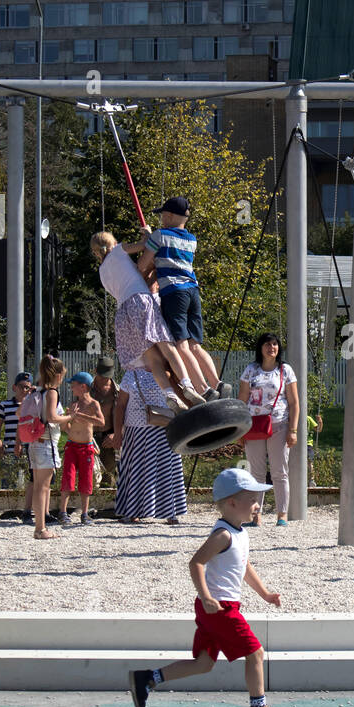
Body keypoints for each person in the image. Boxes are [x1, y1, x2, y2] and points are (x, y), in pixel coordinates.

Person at [127, 467, 292, 707]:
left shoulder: (240, 532)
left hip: (218, 608)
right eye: (252, 500)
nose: (258, 505)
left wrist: (266, 594)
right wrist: (205, 596)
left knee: (204, 663)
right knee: (256, 653)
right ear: (232, 503)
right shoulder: (223, 534)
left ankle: (147, 678)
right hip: (220, 609)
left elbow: (244, 566)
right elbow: (196, 564)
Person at [136, 196, 229, 404]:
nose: (161, 219)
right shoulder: (191, 240)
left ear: (168, 215)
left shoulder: (160, 236)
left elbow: (142, 266)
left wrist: (147, 241)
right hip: (192, 291)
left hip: (173, 292)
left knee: (181, 345)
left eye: (162, 215)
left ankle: (204, 389)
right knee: (195, 345)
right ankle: (217, 382)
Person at [90, 229, 193, 414]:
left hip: (124, 314)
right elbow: (146, 246)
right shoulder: (118, 250)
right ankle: (187, 385)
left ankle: (169, 394)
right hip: (140, 302)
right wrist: (147, 235)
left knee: (153, 360)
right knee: (167, 348)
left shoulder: (102, 272)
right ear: (112, 242)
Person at [111, 367, 187, 524]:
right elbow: (120, 405)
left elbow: (181, 397)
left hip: (164, 427)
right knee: (137, 469)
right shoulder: (132, 373)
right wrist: (118, 433)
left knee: (165, 469)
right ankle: (134, 511)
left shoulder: (168, 371)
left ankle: (169, 512)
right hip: (138, 429)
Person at [239, 332, 300, 526]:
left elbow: (294, 402)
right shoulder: (250, 370)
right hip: (254, 425)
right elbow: (242, 399)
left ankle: (282, 514)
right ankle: (256, 514)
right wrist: (238, 429)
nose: (271, 347)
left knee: (279, 471)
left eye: (274, 344)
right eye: (267, 344)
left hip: (279, 424)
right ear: (260, 348)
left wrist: (293, 429)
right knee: (256, 471)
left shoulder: (285, 370)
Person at [28, 355, 74, 539]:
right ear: (57, 375)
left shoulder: (36, 391)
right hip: (46, 442)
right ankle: (40, 528)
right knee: (43, 487)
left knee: (39, 485)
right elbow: (53, 417)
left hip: (34, 442)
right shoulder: (52, 393)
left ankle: (40, 526)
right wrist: (71, 417)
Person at [56, 372, 105, 526]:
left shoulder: (93, 404)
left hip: (86, 448)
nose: (71, 388)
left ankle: (84, 513)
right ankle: (63, 512)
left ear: (83, 387)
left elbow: (101, 422)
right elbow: (65, 426)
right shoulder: (73, 405)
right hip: (72, 445)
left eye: (73, 385)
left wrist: (81, 416)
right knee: (68, 477)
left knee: (86, 479)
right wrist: (68, 418)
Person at [0, 371, 35, 523]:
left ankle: (26, 508)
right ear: (14, 387)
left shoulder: (33, 406)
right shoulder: (5, 405)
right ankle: (7, 510)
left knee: (28, 480)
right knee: (8, 480)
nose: (24, 390)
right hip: (10, 448)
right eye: (22, 387)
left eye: (28, 388)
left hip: (29, 449)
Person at [89, 358, 119, 488]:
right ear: (96, 372)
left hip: (108, 438)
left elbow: (125, 416)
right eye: (101, 376)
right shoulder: (86, 389)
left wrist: (116, 434)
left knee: (108, 478)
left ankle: (106, 507)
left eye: (107, 377)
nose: (104, 380)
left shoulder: (117, 391)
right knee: (88, 476)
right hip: (88, 437)